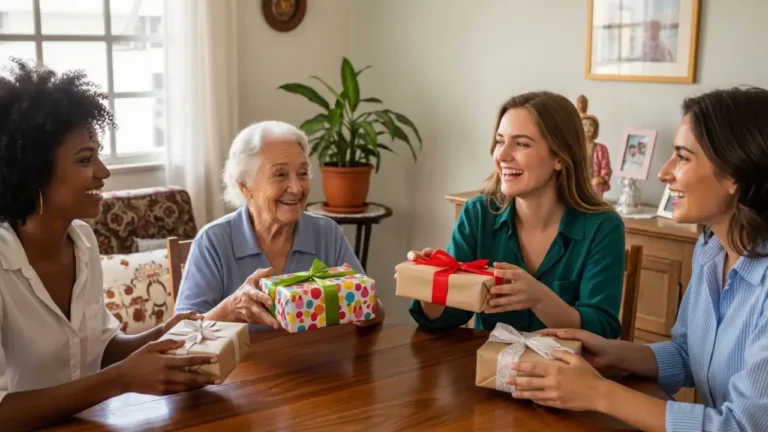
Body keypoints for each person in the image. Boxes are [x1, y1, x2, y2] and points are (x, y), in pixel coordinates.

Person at [505, 87, 768, 432]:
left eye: (683, 157)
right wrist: (612, 352)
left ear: (734, 173)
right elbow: (689, 354)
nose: (664, 173)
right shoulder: (712, 249)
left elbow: (740, 427)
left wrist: (599, 393)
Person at [0, 59, 218, 432]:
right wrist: (122, 379)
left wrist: (162, 335)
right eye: (86, 159)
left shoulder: (82, 241)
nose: (103, 171)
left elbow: (98, 350)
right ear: (35, 172)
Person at [401, 91, 625, 339]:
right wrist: (430, 282)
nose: (502, 155)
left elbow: (602, 329)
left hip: (566, 373)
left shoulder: (603, 226)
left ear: (560, 157)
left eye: (521, 144)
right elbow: (448, 318)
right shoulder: (477, 214)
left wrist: (540, 299)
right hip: (486, 372)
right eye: (500, 141)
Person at [174, 120, 385, 328]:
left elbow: (375, 313)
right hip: (245, 362)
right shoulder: (213, 241)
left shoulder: (326, 232)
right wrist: (231, 309)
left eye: (302, 174)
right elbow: (183, 335)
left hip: (320, 359)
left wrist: (362, 305)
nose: (296, 187)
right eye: (280, 175)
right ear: (244, 187)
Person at [576, 94, 612, 198]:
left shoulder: (600, 149)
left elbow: (606, 168)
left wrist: (602, 178)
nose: (588, 128)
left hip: (594, 187)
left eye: (591, 125)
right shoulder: (574, 147)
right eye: (584, 125)